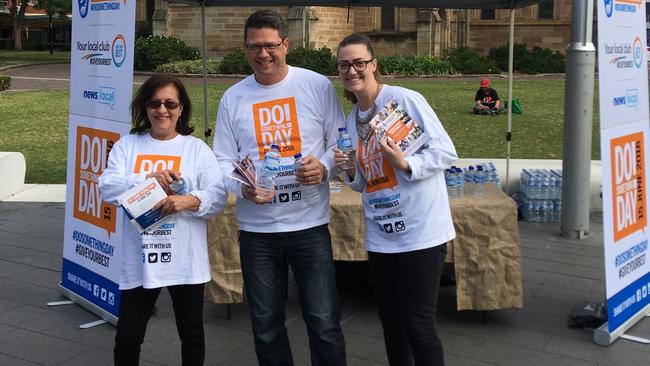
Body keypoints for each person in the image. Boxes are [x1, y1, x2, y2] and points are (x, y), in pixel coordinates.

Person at [211, 9, 347, 366]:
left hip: (310, 226)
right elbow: (222, 162)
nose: (263, 54)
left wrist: (325, 167)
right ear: (244, 49)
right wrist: (244, 189)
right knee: (266, 326)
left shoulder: (316, 85)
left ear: (286, 44)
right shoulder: (233, 98)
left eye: (270, 45)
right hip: (258, 232)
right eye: (254, 47)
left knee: (324, 322)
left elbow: (340, 142)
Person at [334, 33, 457, 366]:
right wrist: (349, 171)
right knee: (391, 323)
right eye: (344, 64)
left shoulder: (402, 100)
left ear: (374, 65)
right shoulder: (351, 121)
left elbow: (445, 151)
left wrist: (406, 163)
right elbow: (366, 184)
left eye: (359, 62)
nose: (352, 70)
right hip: (381, 236)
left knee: (418, 324)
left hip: (420, 232)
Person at [98, 74, 228, 366]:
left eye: (170, 103)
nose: (162, 110)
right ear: (144, 107)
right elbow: (107, 187)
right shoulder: (128, 146)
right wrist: (147, 180)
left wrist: (187, 201)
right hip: (139, 258)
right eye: (154, 103)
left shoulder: (195, 149)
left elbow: (217, 196)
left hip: (185, 257)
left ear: (181, 109)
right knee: (128, 338)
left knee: (192, 335)